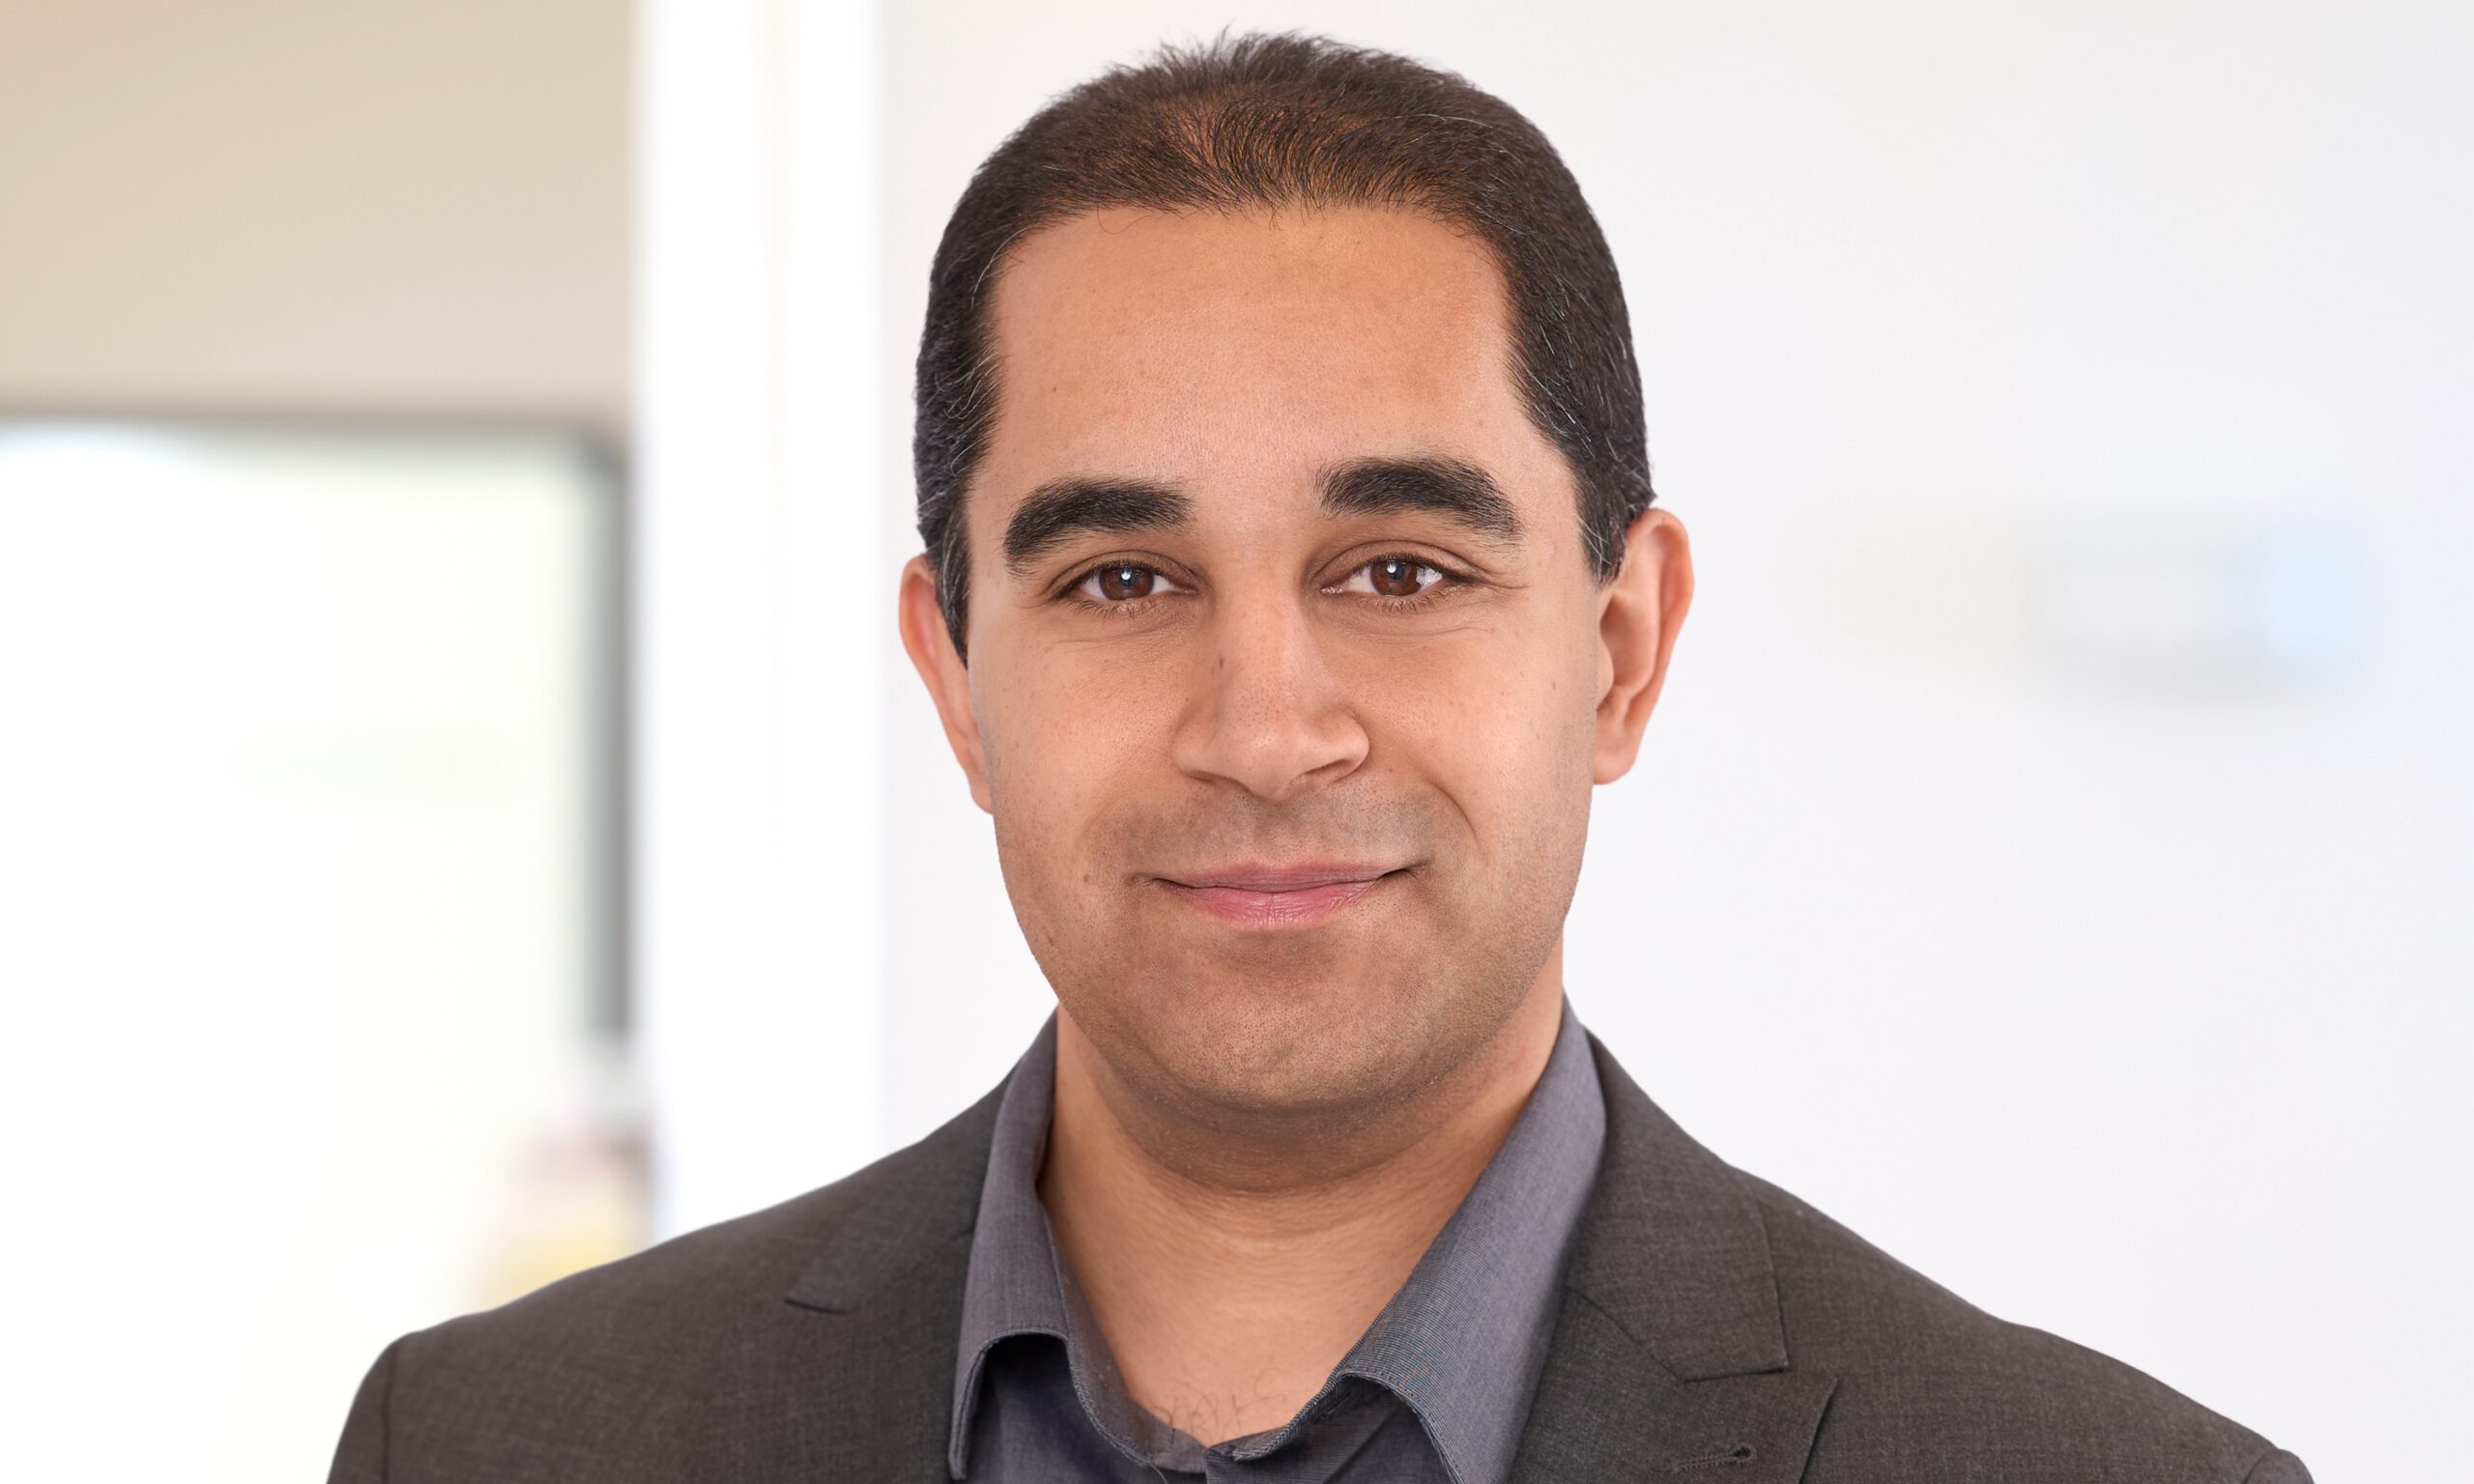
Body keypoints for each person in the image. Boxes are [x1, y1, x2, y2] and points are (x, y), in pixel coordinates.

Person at [329, 33, 2309, 1483]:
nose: (1266, 729)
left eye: (1397, 569)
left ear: (1618, 652)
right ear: (956, 677)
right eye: (1120, 580)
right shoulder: (501, 1445)